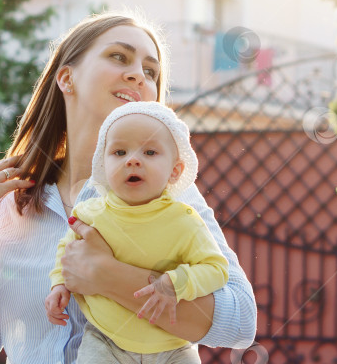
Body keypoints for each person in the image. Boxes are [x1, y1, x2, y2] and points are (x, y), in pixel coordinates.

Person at [0, 11, 257, 364]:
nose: (138, 75)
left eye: (151, 71)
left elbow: (240, 322)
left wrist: (107, 275)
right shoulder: (17, 203)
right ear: (66, 78)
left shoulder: (169, 196)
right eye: (119, 56)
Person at [46, 101, 228, 363]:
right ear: (103, 166)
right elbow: (67, 249)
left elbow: (216, 269)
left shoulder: (184, 221)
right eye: (119, 152)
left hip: (173, 347)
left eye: (150, 152)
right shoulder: (90, 214)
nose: (132, 160)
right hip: (105, 340)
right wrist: (58, 284)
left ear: (175, 171)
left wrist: (174, 282)